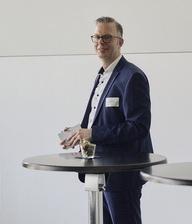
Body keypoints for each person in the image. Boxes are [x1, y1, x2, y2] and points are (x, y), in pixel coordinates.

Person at [60, 16, 153, 224]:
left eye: (107, 37)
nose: (100, 42)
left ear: (120, 42)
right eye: (96, 37)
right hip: (100, 172)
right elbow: (102, 119)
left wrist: (92, 133)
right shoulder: (102, 75)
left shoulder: (132, 76)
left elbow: (138, 127)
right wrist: (78, 133)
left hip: (122, 174)